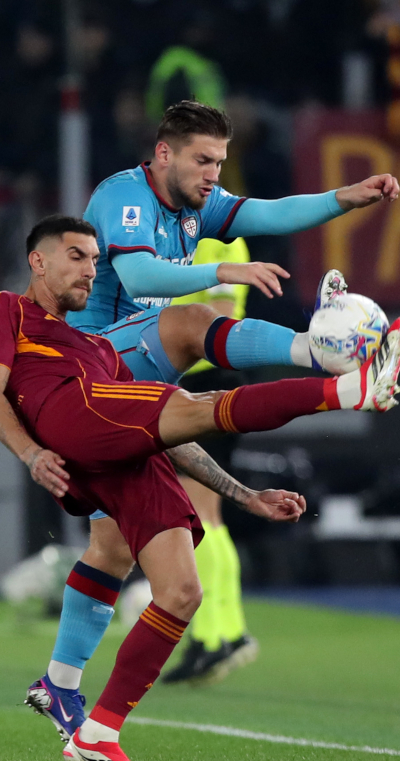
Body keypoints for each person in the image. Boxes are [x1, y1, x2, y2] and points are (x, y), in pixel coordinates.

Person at [0, 215, 400, 761]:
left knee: (180, 592)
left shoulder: (98, 349)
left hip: (102, 438)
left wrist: (243, 494)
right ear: (38, 262)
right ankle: (345, 388)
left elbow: (171, 434)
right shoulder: (4, 309)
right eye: (76, 257)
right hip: (65, 412)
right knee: (198, 402)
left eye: (94, 260)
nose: (90, 270)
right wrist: (30, 453)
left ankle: (97, 733)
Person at [39, 99, 400, 735]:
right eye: (203, 160)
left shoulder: (197, 204)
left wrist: (344, 197)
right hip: (89, 370)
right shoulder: (125, 197)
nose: (213, 173)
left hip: (129, 387)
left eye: (220, 162)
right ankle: (317, 354)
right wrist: (222, 267)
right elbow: (141, 270)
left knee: (114, 546)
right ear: (164, 154)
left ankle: (60, 685)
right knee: (191, 320)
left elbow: (269, 213)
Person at [162, 237, 256, 686]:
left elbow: (223, 322)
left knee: (199, 515)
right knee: (208, 516)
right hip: (190, 386)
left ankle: (212, 636)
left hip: (207, 386)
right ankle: (227, 632)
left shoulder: (222, 242)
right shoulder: (176, 235)